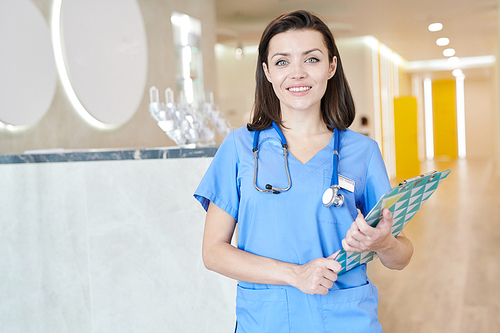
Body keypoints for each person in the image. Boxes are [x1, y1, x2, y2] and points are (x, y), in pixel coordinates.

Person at [194, 10, 413, 332]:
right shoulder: (240, 146)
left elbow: (401, 255)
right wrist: (294, 274)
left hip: (345, 318)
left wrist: (384, 244)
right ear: (267, 72)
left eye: (311, 59)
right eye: (283, 62)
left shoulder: (362, 152)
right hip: (267, 319)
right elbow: (213, 252)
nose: (297, 73)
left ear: (331, 66)